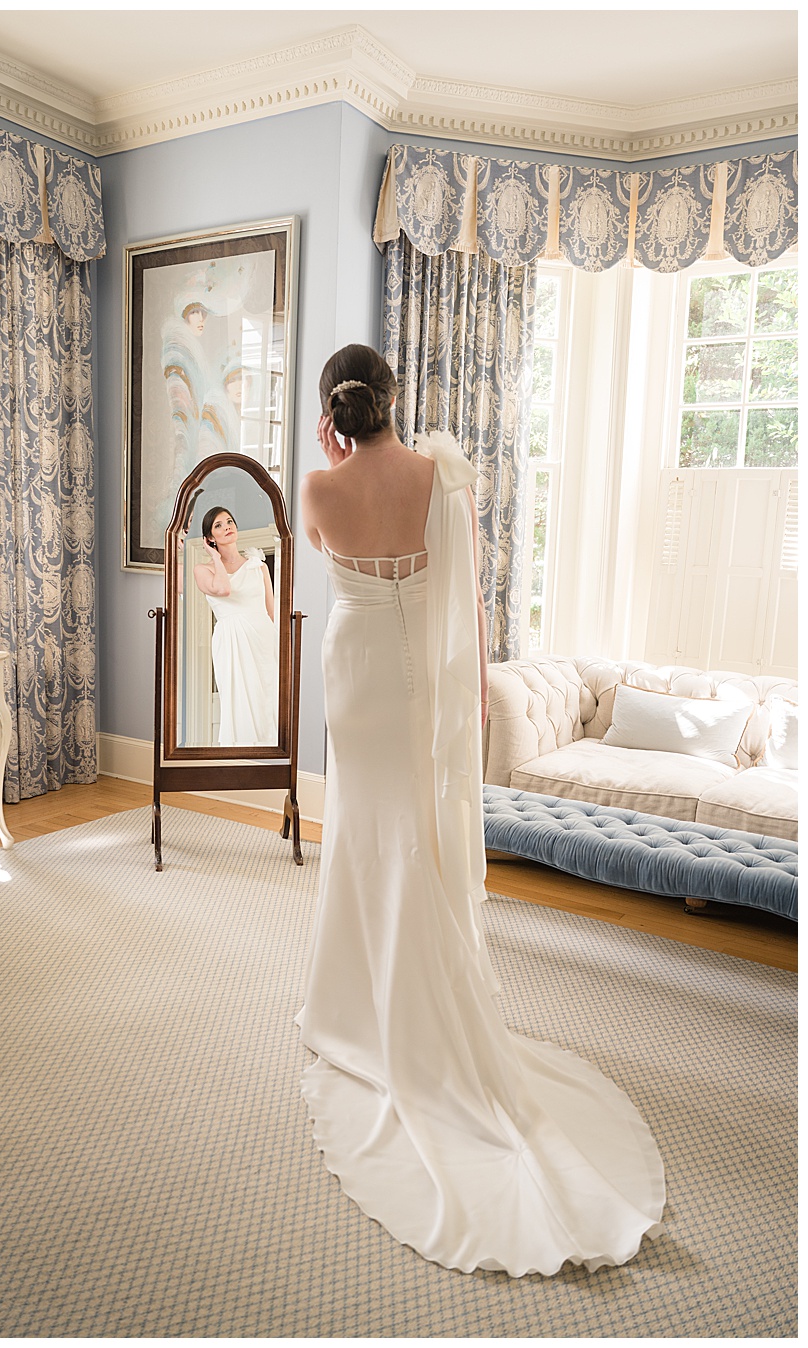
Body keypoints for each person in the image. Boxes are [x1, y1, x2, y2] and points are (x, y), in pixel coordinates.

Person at [295, 344, 664, 1275]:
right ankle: (407, 999)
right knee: (410, 834)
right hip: (417, 677)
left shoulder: (317, 487)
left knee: (363, 833)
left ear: (334, 415)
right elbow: (469, 606)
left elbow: (320, 550)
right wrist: (469, 699)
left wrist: (331, 458)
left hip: (353, 671)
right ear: (392, 402)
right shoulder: (438, 476)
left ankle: (358, 1013)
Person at [192, 506, 277, 744]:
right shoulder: (203, 570)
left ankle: (269, 757)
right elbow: (223, 589)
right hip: (231, 641)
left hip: (262, 639)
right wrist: (216, 558)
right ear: (209, 538)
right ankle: (240, 760)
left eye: (229, 521)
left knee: (266, 698)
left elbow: (271, 612)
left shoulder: (258, 566)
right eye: (218, 525)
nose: (227, 527)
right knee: (238, 699)